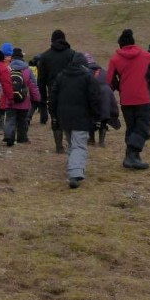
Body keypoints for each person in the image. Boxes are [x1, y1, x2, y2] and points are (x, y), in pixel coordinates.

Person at [106, 29, 150, 171]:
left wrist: (119, 87)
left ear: (121, 45)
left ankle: (133, 157)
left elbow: (109, 81)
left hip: (126, 99)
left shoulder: (115, 59)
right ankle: (131, 157)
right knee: (143, 128)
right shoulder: (146, 56)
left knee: (132, 128)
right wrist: (149, 85)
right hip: (143, 97)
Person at [50, 53, 102, 188]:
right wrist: (97, 117)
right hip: (81, 117)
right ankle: (75, 173)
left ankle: (73, 165)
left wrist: (54, 115)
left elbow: (53, 96)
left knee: (72, 144)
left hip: (63, 117)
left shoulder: (61, 76)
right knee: (79, 145)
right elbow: (95, 99)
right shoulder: (88, 78)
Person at [36, 29, 75, 153]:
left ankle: (59, 147)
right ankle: (72, 145)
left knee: (55, 119)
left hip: (53, 93)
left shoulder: (45, 56)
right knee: (71, 119)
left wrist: (43, 97)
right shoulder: (72, 54)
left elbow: (41, 79)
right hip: (71, 92)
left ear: (52, 40)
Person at [3, 46, 40, 146]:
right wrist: (37, 98)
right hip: (24, 101)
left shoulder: (7, 68)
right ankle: (22, 138)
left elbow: (3, 84)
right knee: (22, 121)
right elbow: (33, 85)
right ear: (21, 57)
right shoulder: (27, 69)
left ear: (12, 58)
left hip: (10, 100)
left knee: (10, 119)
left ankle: (9, 137)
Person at [84, 52, 120, 148]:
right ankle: (101, 142)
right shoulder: (103, 71)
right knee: (104, 117)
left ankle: (91, 139)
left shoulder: (85, 72)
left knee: (91, 117)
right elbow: (114, 83)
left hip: (92, 95)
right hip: (106, 94)